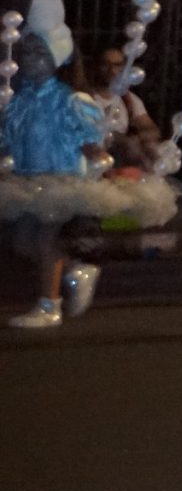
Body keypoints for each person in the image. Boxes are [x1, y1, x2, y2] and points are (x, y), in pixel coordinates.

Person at [3, 30, 106, 329]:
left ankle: (49, 305)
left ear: (57, 58)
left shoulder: (70, 100)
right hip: (28, 181)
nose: (30, 59)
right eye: (27, 52)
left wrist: (98, 158)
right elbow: (7, 140)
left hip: (62, 180)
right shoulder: (20, 101)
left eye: (40, 53)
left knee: (45, 240)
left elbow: (90, 141)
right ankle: (76, 270)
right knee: (23, 242)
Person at [94, 45, 163, 173]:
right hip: (95, 158)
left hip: (122, 161)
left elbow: (152, 130)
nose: (112, 71)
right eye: (106, 64)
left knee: (152, 148)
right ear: (97, 67)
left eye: (117, 65)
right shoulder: (87, 97)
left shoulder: (128, 99)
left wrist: (137, 137)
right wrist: (120, 140)